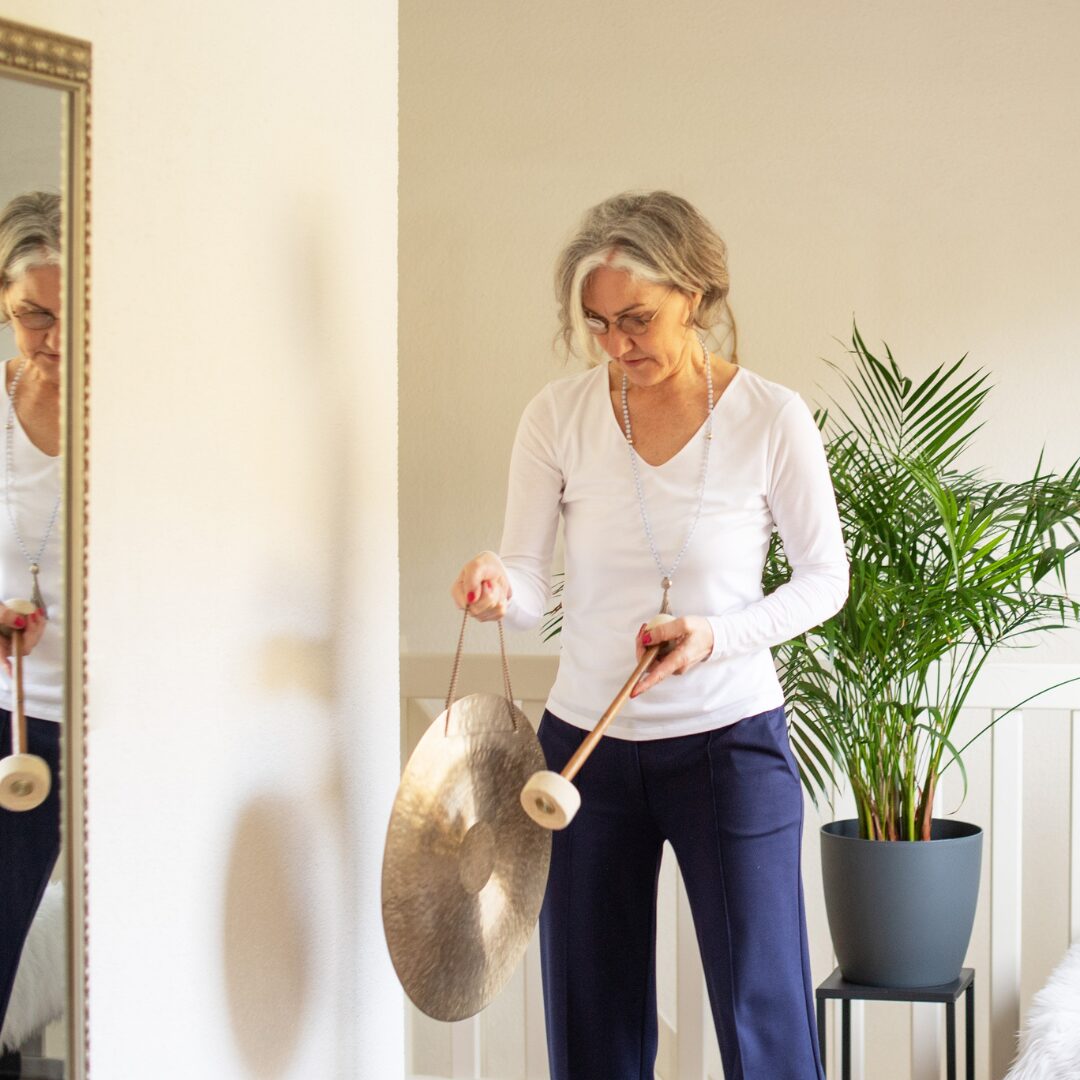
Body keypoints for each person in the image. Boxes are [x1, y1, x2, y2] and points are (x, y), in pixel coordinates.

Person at [451, 191, 848, 1080]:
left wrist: (711, 635)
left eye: (637, 318)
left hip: (732, 744)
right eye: (599, 325)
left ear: (697, 294)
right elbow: (525, 584)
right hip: (583, 757)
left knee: (763, 1016)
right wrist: (494, 581)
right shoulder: (558, 417)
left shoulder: (770, 418)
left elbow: (828, 581)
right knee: (592, 1020)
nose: (618, 344)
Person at [0, 191, 63, 1038]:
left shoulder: (139, 407)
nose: (51, 337)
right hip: (14, 715)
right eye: (30, 315)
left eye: (70, 314)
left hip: (124, 712)